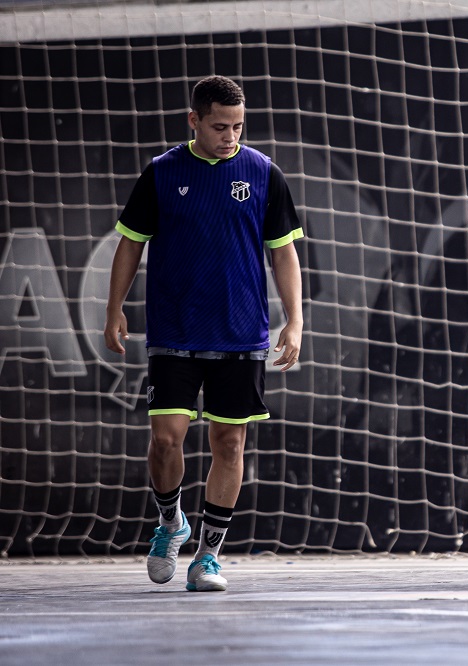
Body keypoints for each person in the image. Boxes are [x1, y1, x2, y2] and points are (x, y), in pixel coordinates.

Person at [103, 75, 304, 592]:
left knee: (229, 444)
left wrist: (295, 319)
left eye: (238, 125)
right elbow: (130, 244)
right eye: (220, 126)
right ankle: (171, 523)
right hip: (174, 330)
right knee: (166, 439)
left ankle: (207, 558)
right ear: (194, 120)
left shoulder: (263, 173)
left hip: (241, 334)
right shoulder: (162, 173)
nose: (230, 135)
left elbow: (283, 251)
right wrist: (115, 309)